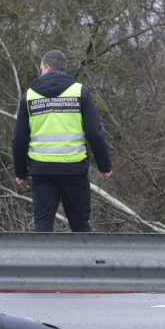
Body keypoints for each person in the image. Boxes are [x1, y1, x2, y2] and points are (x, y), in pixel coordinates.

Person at [12, 50, 112, 232]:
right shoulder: (80, 92)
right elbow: (95, 133)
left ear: (47, 67)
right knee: (80, 225)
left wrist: (21, 172)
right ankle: (84, 260)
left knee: (42, 225)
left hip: (42, 171)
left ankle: (42, 261)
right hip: (74, 170)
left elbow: (19, 138)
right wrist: (104, 165)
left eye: (41, 68)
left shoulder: (29, 96)